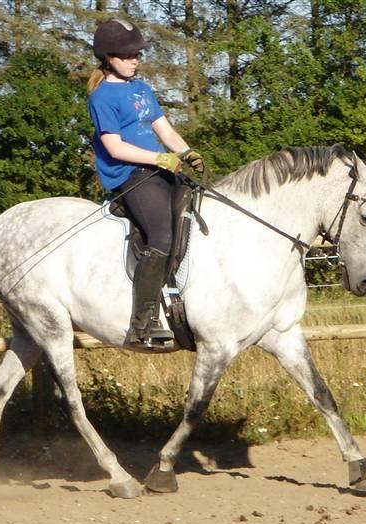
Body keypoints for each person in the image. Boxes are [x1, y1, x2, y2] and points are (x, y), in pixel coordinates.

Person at [88, 18, 206, 350]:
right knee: (162, 235)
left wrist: (186, 151)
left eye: (137, 54)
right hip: (130, 176)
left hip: (158, 169)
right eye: (126, 56)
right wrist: (160, 159)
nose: (134, 60)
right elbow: (114, 147)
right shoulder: (101, 98)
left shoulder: (141, 88)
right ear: (108, 57)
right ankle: (142, 323)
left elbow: (164, 130)